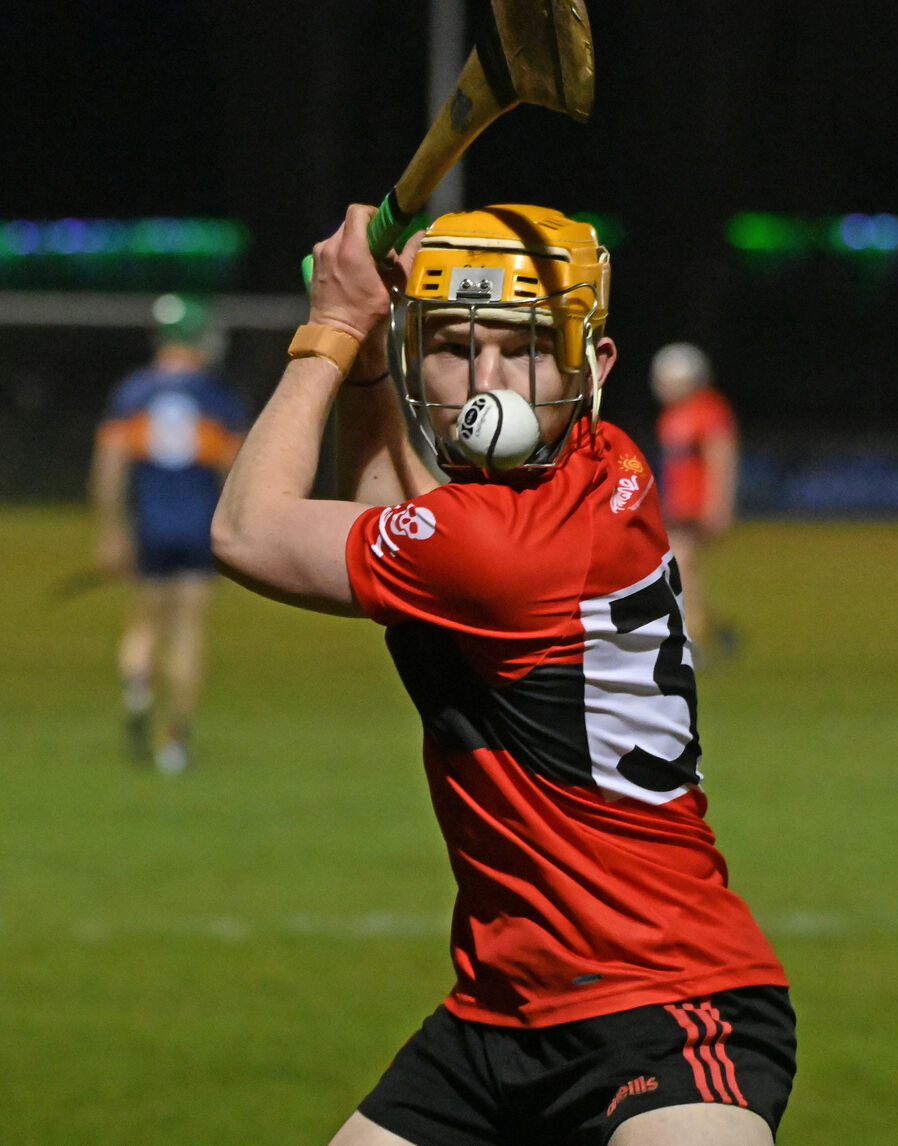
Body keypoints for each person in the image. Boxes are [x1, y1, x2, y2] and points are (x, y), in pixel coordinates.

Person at [211, 203, 795, 1146]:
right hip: (497, 1016)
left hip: (664, 1004)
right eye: (450, 345)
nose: (489, 388)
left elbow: (245, 531)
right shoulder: (601, 467)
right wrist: (368, 362)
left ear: (592, 366)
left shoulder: (502, 547)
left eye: (523, 348)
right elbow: (392, 518)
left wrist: (328, 332)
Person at [90, 294, 246, 774]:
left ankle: (138, 687)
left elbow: (109, 468)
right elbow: (237, 474)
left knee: (143, 624)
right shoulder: (216, 399)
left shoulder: (133, 393)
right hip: (199, 530)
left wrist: (112, 530)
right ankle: (175, 742)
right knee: (186, 634)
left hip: (151, 528)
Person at [649, 342, 740, 656]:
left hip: (698, 509)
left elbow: (721, 459)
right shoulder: (672, 416)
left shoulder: (709, 411)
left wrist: (719, 506)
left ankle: (695, 641)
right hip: (678, 507)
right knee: (679, 571)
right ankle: (715, 631)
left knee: (682, 569)